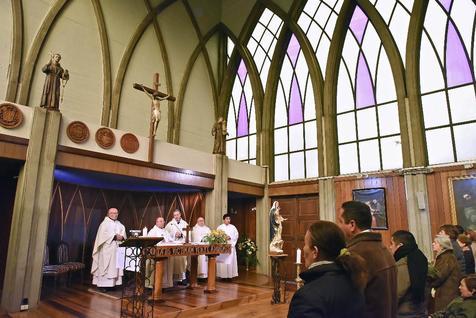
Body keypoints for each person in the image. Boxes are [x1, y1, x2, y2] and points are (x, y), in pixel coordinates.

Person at [288, 221, 367, 318]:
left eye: (305, 244)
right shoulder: (354, 281)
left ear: (315, 252)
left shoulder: (307, 296)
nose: (303, 249)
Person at [337, 200, 397, 318]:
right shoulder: (384, 249)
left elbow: (345, 303)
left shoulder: (355, 254)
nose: (338, 226)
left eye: (340, 221)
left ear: (352, 225)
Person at [389, 230, 428, 317]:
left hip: (406, 312)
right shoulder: (420, 257)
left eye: (391, 243)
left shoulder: (404, 264)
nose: (390, 247)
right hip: (420, 310)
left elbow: (397, 293)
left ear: (399, 246)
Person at [91, 208, 126, 292]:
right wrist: (114, 236)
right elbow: (102, 235)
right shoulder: (104, 224)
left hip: (117, 249)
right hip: (107, 249)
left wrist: (122, 237)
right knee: (105, 267)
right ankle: (103, 285)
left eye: (116, 213)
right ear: (108, 214)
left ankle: (112, 285)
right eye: (112, 213)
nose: (115, 214)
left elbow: (123, 233)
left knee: (115, 267)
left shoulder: (119, 224)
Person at [429, 234, 461, 311]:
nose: (433, 244)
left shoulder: (447, 257)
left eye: (435, 242)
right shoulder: (444, 257)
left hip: (446, 294)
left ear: (442, 245)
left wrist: (428, 282)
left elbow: (439, 276)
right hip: (445, 293)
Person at [146, 216, 174, 288]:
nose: (162, 223)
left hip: (166, 253)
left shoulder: (165, 231)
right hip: (157, 254)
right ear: (156, 222)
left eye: (163, 221)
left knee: (166, 269)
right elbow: (149, 243)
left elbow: (171, 240)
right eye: (160, 221)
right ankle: (155, 285)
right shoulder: (153, 231)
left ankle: (164, 285)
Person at [165, 209, 188, 284]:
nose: (176, 216)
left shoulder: (185, 223)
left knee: (182, 262)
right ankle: (173, 280)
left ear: (180, 214)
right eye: (174, 215)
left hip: (182, 246)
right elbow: (166, 234)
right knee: (174, 263)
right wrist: (174, 234)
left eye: (177, 215)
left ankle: (183, 279)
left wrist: (181, 235)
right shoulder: (170, 224)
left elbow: (188, 233)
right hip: (173, 246)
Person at [216, 214, 239, 280]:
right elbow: (217, 236)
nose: (228, 220)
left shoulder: (233, 227)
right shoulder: (220, 227)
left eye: (229, 219)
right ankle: (222, 276)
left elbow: (236, 235)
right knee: (223, 261)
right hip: (222, 247)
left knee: (230, 261)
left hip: (230, 246)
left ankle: (230, 276)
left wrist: (230, 237)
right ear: (224, 220)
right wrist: (223, 238)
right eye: (227, 219)